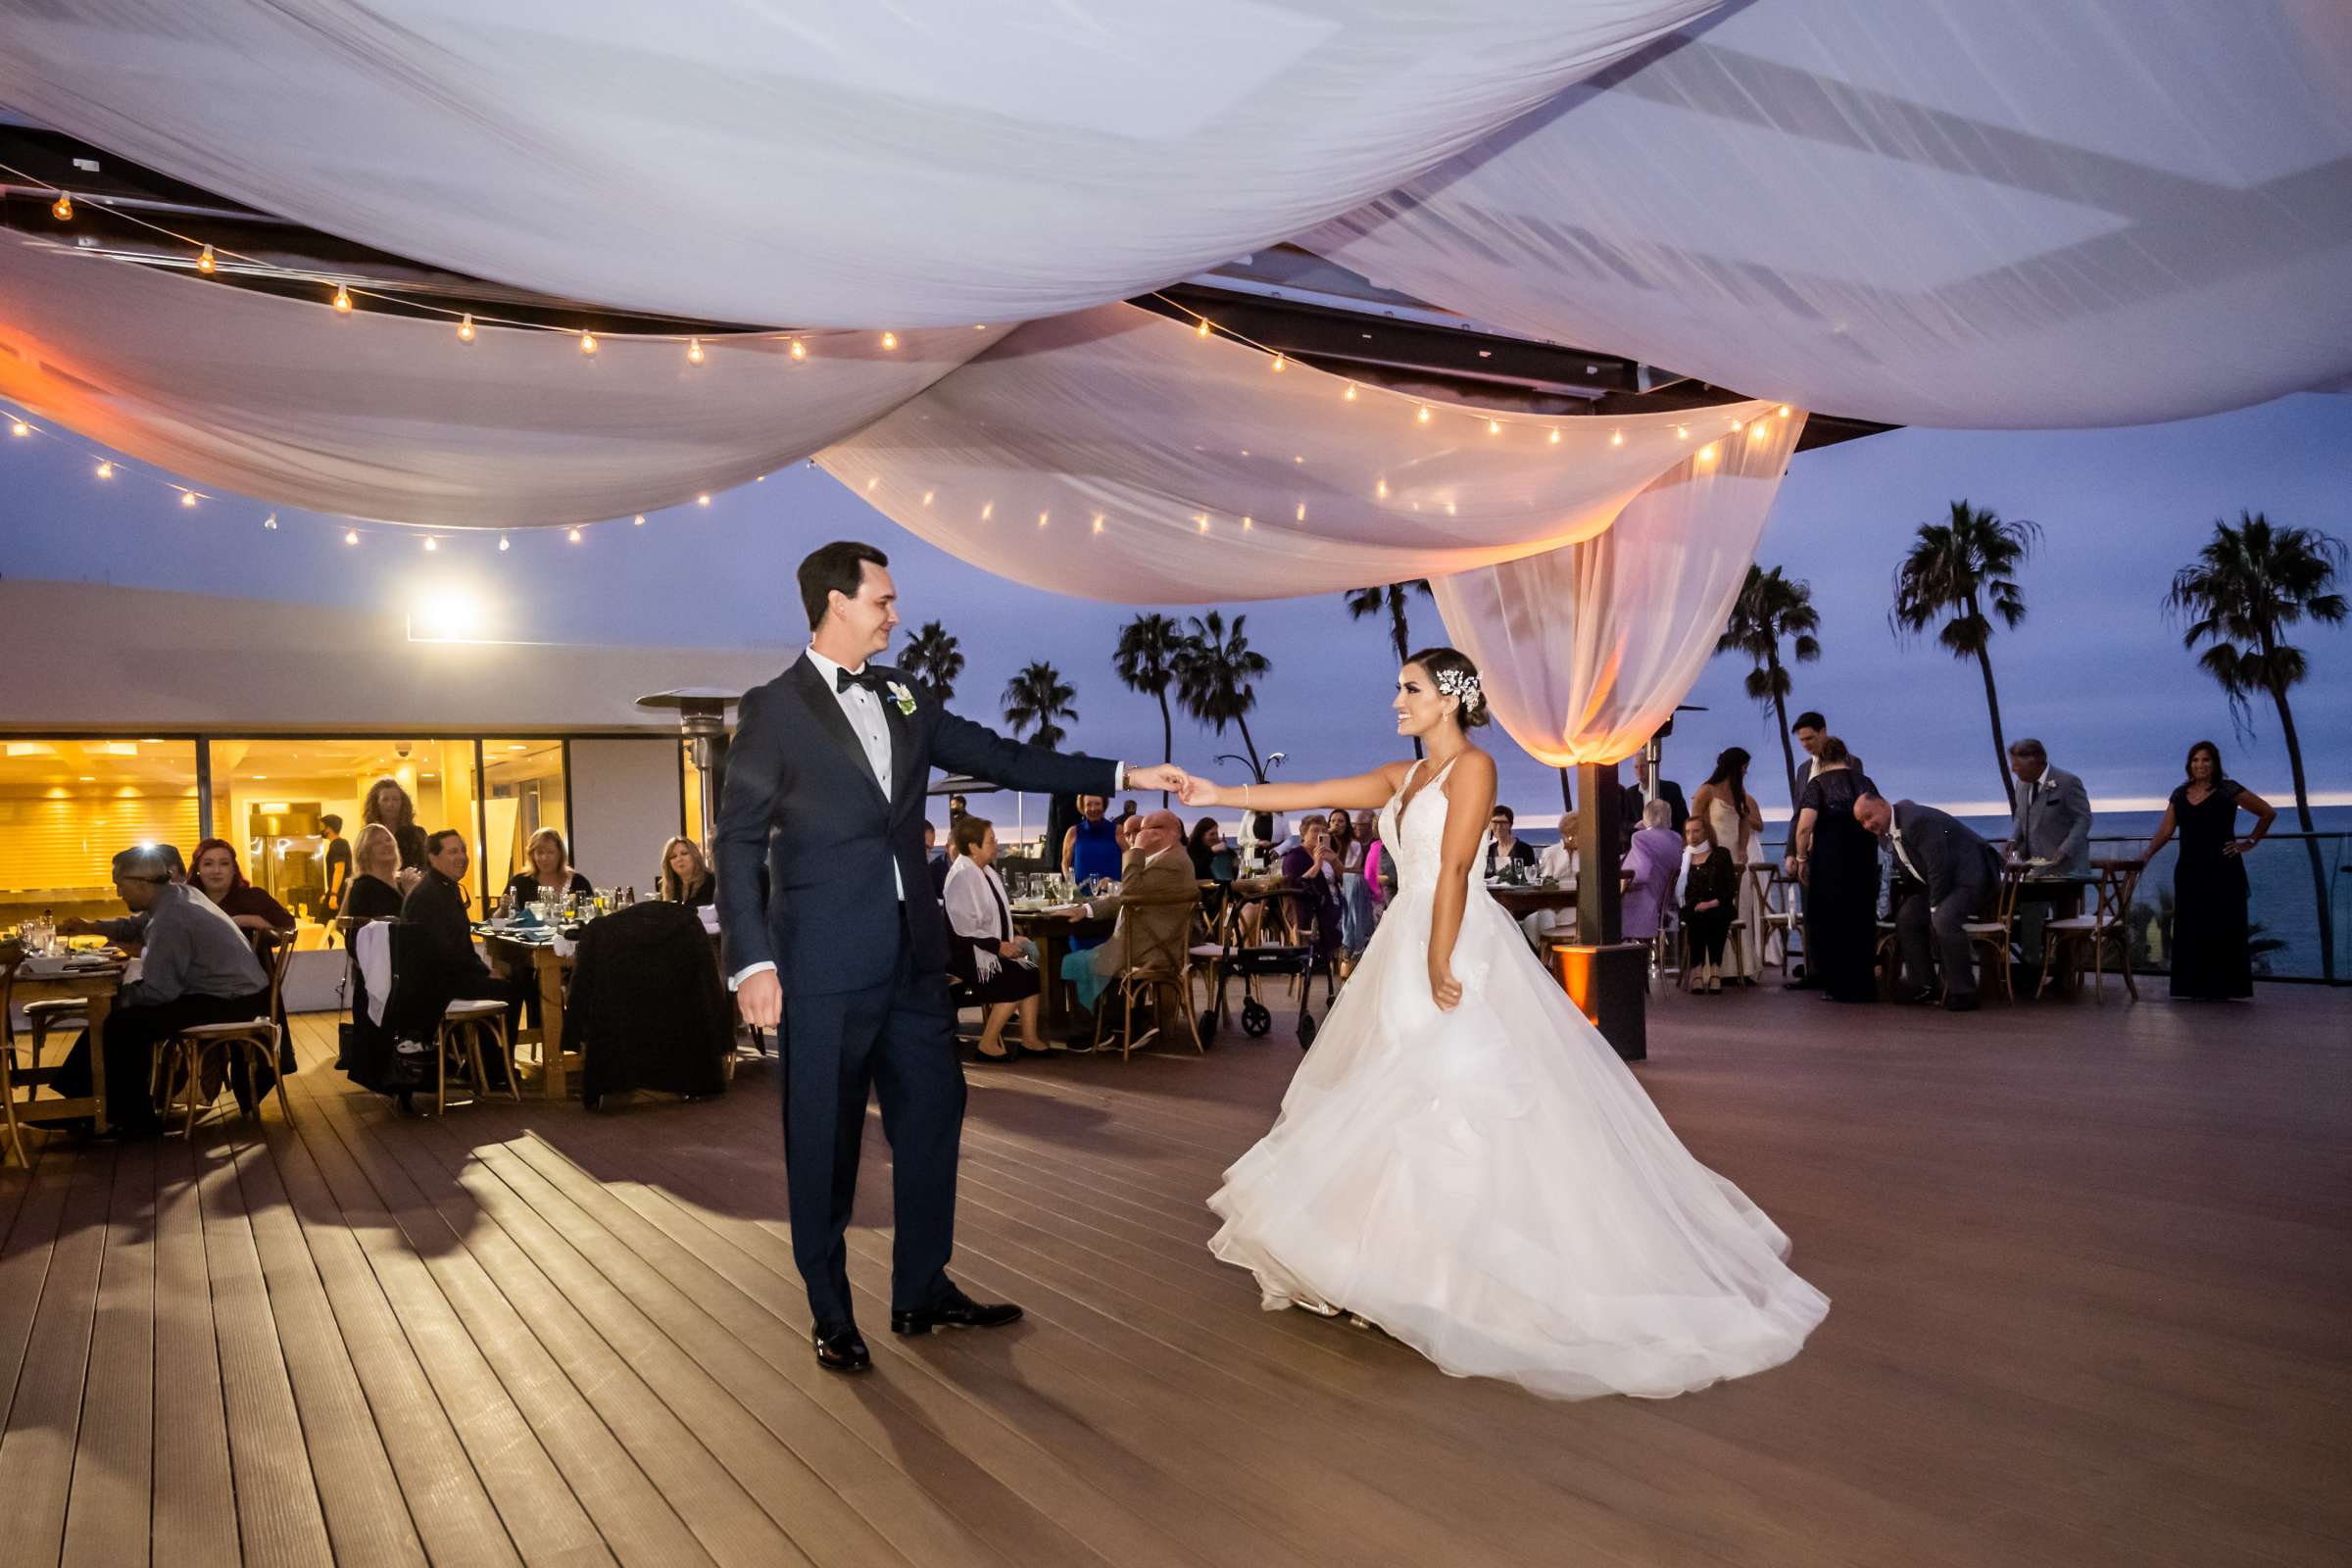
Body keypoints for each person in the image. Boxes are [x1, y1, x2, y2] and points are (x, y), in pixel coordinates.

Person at [1181, 647, 1826, 1398]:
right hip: (1405, 939)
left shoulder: (1472, 768)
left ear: (1448, 699)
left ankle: (1450, 1272)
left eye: (1410, 688)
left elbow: (1455, 867)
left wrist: (1439, 956)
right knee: (1395, 1093)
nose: (1397, 700)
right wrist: (1217, 789)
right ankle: (1386, 1269)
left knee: (1454, 1090)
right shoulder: (1405, 775)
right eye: (1398, 688)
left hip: (1449, 938)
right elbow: (1309, 789)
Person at [715, 540, 1187, 1375]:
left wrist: (1121, 770)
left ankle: (922, 1289)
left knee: (933, 1121)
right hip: (820, 967)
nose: (895, 614)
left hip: (913, 963)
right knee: (822, 1144)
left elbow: (1005, 755)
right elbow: (739, 839)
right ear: (835, 603)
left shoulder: (904, 695)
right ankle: (830, 1311)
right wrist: (752, 965)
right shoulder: (771, 709)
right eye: (882, 601)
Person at [52, 845, 270, 1138]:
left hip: (231, 1000)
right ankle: (85, 1106)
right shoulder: (177, 895)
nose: (118, 893)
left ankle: (129, 1118)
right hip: (236, 993)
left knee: (124, 1023)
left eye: (120, 885)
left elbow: (159, 992)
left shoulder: (171, 918)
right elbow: (134, 926)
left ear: (142, 883)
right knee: (120, 1018)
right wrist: (92, 927)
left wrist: (115, 999)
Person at [2140, 740, 2275, 1002]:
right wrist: (2146, 854)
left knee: (2223, 926)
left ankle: (2225, 987)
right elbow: (2166, 831)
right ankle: (2192, 987)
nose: (2200, 765)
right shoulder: (2180, 794)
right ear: (2189, 764)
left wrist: (2249, 843)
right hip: (2190, 870)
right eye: (2195, 760)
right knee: (2191, 927)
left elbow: (2267, 813)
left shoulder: (2228, 789)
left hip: (2223, 869)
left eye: (2206, 760)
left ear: (2215, 764)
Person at [1855, 793, 2001, 1011]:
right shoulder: (1884, 834)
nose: (1866, 825)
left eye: (1869, 816)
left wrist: (1935, 905)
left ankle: (1964, 991)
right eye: (1861, 822)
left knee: (1944, 919)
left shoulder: (1916, 821)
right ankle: (1923, 984)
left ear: (1883, 805)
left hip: (1969, 878)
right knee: (1907, 916)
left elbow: (1938, 866)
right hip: (1941, 884)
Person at [1059, 809, 1197, 1021]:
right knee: (1087, 953)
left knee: (1072, 962)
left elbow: (1130, 891)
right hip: (1154, 943)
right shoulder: (1169, 858)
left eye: (1144, 830)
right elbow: (1129, 896)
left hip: (1151, 950)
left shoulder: (1170, 863)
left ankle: (1096, 1029)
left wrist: (1136, 849)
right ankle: (1124, 1022)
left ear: (1165, 833)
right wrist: (1086, 910)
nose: (1138, 835)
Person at [403, 829, 529, 1048]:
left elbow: (456, 949)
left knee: (512, 979)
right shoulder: (433, 895)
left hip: (437, 979)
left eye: (463, 850)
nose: (462, 857)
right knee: (513, 988)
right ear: (433, 858)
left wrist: (483, 970)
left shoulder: (440, 887)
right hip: (437, 987)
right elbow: (448, 952)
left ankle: (475, 1060)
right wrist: (485, 971)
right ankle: (495, 1068)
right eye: (453, 852)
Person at [941, 815, 1043, 1060]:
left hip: (984, 947)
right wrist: (999, 946)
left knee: (1030, 970)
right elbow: (964, 929)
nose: (996, 844)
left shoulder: (985, 872)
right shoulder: (963, 876)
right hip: (964, 953)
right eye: (991, 841)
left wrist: (1013, 937)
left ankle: (1029, 1040)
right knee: (1016, 977)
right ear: (973, 847)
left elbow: (995, 915)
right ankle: (987, 1044)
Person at [1785, 740, 1880, 1003]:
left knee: (1832, 919)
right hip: (1863, 858)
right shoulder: (1865, 782)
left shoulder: (1818, 785)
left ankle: (1839, 984)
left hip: (1831, 859)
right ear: (1846, 756)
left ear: (1821, 760)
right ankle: (1863, 983)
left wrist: (1802, 857)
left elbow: (1804, 827)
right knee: (1860, 919)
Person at [1690, 748, 1765, 984]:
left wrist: (1742, 849)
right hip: (1713, 856)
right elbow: (1697, 820)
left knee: (1740, 907)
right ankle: (1713, 969)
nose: (1745, 772)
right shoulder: (1707, 790)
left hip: (1734, 856)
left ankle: (1741, 967)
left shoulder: (1739, 792)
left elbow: (1744, 821)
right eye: (1743, 767)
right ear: (1734, 767)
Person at [190, 838, 298, 940]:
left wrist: (250, 921)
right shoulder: (189, 903)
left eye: (224, 863)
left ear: (234, 869)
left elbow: (288, 929)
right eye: (208, 864)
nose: (216, 870)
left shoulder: (255, 898)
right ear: (198, 870)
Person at [1678, 817, 1740, 994]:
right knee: (1696, 919)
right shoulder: (1683, 857)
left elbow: (1731, 888)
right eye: (1688, 832)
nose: (1692, 836)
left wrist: (1711, 903)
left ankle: (1715, 972)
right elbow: (1682, 891)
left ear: (1706, 832)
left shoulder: (1721, 854)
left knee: (1716, 917)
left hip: (1719, 903)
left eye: (1696, 831)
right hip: (1692, 906)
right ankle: (1697, 973)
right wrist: (1698, 905)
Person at [1281, 816, 1346, 968]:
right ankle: (1348, 961)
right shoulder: (1295, 857)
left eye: (1323, 831)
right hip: (1311, 909)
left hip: (1335, 902)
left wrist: (1334, 861)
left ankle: (1352, 962)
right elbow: (1296, 886)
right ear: (1303, 834)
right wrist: (1317, 864)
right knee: (1352, 920)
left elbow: (1344, 878)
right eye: (1315, 830)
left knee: (1363, 913)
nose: (1319, 835)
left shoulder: (1328, 854)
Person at [1619, 800, 1682, 944]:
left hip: (1644, 902)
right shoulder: (1676, 838)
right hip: (1666, 901)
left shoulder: (1640, 838)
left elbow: (1640, 874)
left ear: (1645, 816)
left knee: (1605, 906)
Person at [1521, 813, 1580, 949]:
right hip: (1554, 905)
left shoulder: (1588, 853)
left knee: (1535, 920)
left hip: (1577, 906)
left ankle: (1547, 956)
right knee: (1531, 921)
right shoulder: (1550, 853)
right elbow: (1547, 883)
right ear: (1569, 834)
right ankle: (1542, 960)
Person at [505, 826, 593, 910]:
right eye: (540, 853)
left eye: (550, 852)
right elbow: (497, 919)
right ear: (532, 855)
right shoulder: (519, 883)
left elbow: (595, 918)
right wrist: (503, 908)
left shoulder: (578, 882)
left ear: (560, 854)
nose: (545, 857)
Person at [1327, 808, 1376, 959]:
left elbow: (1346, 876)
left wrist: (1334, 860)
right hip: (1327, 889)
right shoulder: (1323, 842)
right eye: (1333, 821)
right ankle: (1354, 944)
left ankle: (1352, 943)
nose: (1336, 824)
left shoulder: (1353, 845)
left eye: (1341, 821)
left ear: (1347, 825)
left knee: (1353, 882)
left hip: (1344, 888)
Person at [362, 776, 430, 873]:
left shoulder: (417, 834)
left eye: (395, 799)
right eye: (385, 800)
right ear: (376, 803)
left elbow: (426, 867)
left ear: (402, 803)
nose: (391, 804)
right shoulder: (369, 836)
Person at [341, 823, 406, 923]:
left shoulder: (402, 882)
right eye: (378, 843)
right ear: (365, 852)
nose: (386, 844)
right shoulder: (364, 887)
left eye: (388, 840)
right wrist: (411, 894)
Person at [1062, 795, 1123, 887]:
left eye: (1097, 804)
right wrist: (1071, 884)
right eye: (1088, 805)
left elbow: (1130, 862)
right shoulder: (1073, 832)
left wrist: (1116, 883)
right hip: (1081, 897)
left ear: (1104, 806)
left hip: (1111, 896)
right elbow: (1065, 863)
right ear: (1083, 807)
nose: (1093, 809)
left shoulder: (1118, 830)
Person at [1483, 804, 1539, 878]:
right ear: (1490, 825)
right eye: (1495, 822)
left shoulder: (1525, 849)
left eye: (1503, 823)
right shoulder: (1490, 850)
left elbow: (1530, 878)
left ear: (1510, 825)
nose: (1499, 827)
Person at [660, 835, 716, 907]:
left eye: (684, 853)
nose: (679, 859)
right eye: (673, 857)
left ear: (695, 856)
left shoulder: (711, 881)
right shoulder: (668, 886)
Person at [319, 812, 352, 920]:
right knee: (332, 926)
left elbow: (339, 869)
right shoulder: (338, 844)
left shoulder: (339, 844)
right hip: (339, 893)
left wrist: (333, 895)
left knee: (323, 924)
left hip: (339, 893)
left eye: (322, 826)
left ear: (329, 828)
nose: (320, 829)